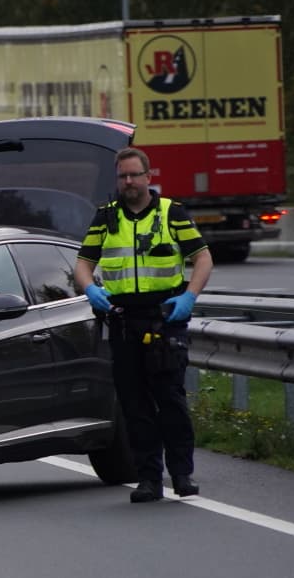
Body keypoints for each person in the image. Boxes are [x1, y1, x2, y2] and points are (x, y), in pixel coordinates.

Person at [74, 147, 214, 503]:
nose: (129, 182)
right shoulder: (105, 217)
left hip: (165, 318)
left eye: (135, 175)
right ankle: (148, 478)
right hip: (123, 321)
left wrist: (189, 298)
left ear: (149, 177)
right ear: (117, 179)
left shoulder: (172, 214)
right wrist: (91, 289)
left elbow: (203, 258)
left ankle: (182, 474)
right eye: (123, 176)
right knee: (134, 404)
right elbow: (83, 264)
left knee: (170, 400)